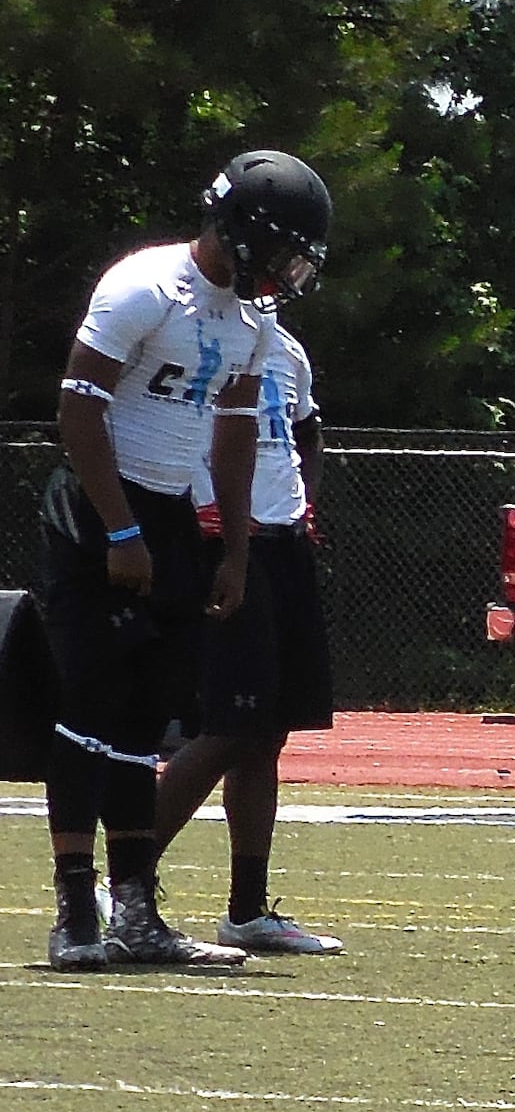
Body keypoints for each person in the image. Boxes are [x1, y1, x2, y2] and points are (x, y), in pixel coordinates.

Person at [38, 151, 328, 970]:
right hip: (102, 505)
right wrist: (119, 530)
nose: (285, 270)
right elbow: (77, 408)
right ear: (239, 229)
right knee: (90, 708)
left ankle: (134, 910)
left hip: (169, 511)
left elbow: (232, 438)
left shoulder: (252, 321)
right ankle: (74, 911)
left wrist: (232, 547)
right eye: (280, 249)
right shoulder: (145, 286)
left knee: (145, 718)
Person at [154, 302, 339, 955]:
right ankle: (122, 881)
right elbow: (172, 434)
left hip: (282, 543)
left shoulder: (285, 348)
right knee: (229, 727)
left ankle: (247, 909)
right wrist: (204, 517)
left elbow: (307, 431)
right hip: (227, 542)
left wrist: (305, 503)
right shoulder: (197, 341)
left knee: (266, 733)